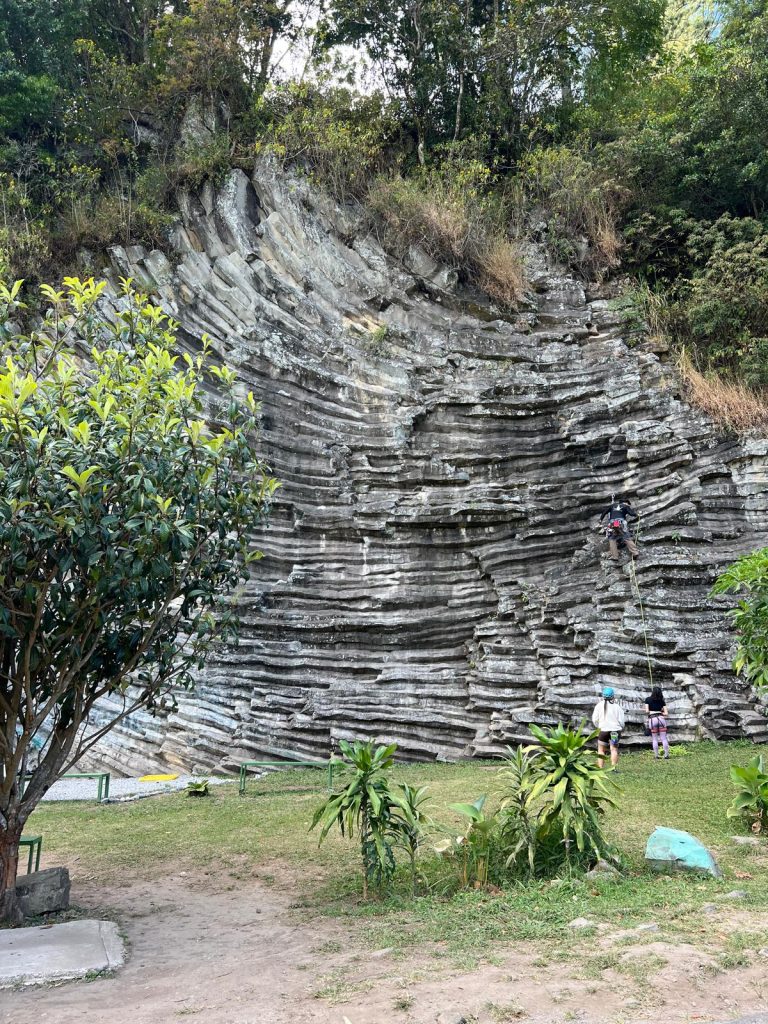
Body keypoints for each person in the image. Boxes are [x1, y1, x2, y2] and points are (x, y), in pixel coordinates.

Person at [592, 686, 625, 769]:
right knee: (614, 749)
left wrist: (598, 727)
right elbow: (621, 721)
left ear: (603, 696)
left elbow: (595, 719)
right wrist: (621, 727)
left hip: (603, 731)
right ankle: (613, 768)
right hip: (615, 731)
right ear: (613, 696)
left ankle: (600, 767)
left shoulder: (598, 706)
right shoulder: (617, 707)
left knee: (601, 750)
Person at [599, 496, 639, 561]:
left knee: (612, 538)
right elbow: (632, 513)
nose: (628, 505)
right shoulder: (625, 506)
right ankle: (635, 553)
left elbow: (604, 512)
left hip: (613, 523)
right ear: (625, 502)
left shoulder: (612, 505)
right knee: (626, 537)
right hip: (621, 522)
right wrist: (637, 515)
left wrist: (600, 520)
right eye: (628, 504)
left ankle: (615, 556)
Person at [644, 685, 670, 760]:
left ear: (653, 692)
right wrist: (660, 711)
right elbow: (666, 713)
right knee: (664, 738)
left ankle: (656, 755)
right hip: (661, 719)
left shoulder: (648, 699)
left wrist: (652, 711)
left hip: (652, 719)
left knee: (654, 739)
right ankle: (666, 755)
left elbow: (647, 711)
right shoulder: (662, 701)